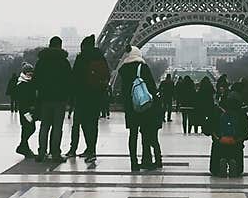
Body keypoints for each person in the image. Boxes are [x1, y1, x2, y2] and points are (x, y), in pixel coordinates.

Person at [118, 47, 162, 171]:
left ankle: (133, 162)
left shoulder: (123, 70)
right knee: (146, 134)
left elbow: (123, 92)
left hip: (130, 107)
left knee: (133, 135)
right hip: (143, 106)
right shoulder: (143, 67)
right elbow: (152, 88)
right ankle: (146, 160)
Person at [67, 36, 110, 165]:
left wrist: (72, 96)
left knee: (78, 124)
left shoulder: (82, 57)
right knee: (92, 124)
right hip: (96, 97)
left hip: (81, 96)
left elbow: (74, 77)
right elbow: (106, 76)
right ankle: (92, 150)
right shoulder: (101, 57)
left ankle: (73, 149)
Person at [31, 37, 72, 164]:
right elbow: (69, 80)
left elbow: (35, 80)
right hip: (59, 99)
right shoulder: (64, 62)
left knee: (44, 126)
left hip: (44, 98)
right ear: (60, 46)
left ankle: (41, 152)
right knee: (57, 127)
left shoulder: (41, 62)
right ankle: (55, 153)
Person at [208, 89, 248, 177]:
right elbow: (247, 132)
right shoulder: (241, 112)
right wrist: (240, 138)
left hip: (219, 142)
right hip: (236, 142)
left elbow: (208, 127)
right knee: (237, 156)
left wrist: (215, 136)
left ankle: (217, 168)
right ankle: (236, 165)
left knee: (216, 157)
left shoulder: (217, 110)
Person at [13, 64, 37, 158]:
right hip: (26, 111)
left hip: (25, 110)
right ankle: (23, 146)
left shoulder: (22, 83)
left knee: (26, 128)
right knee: (30, 128)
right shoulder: (24, 84)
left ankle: (24, 147)